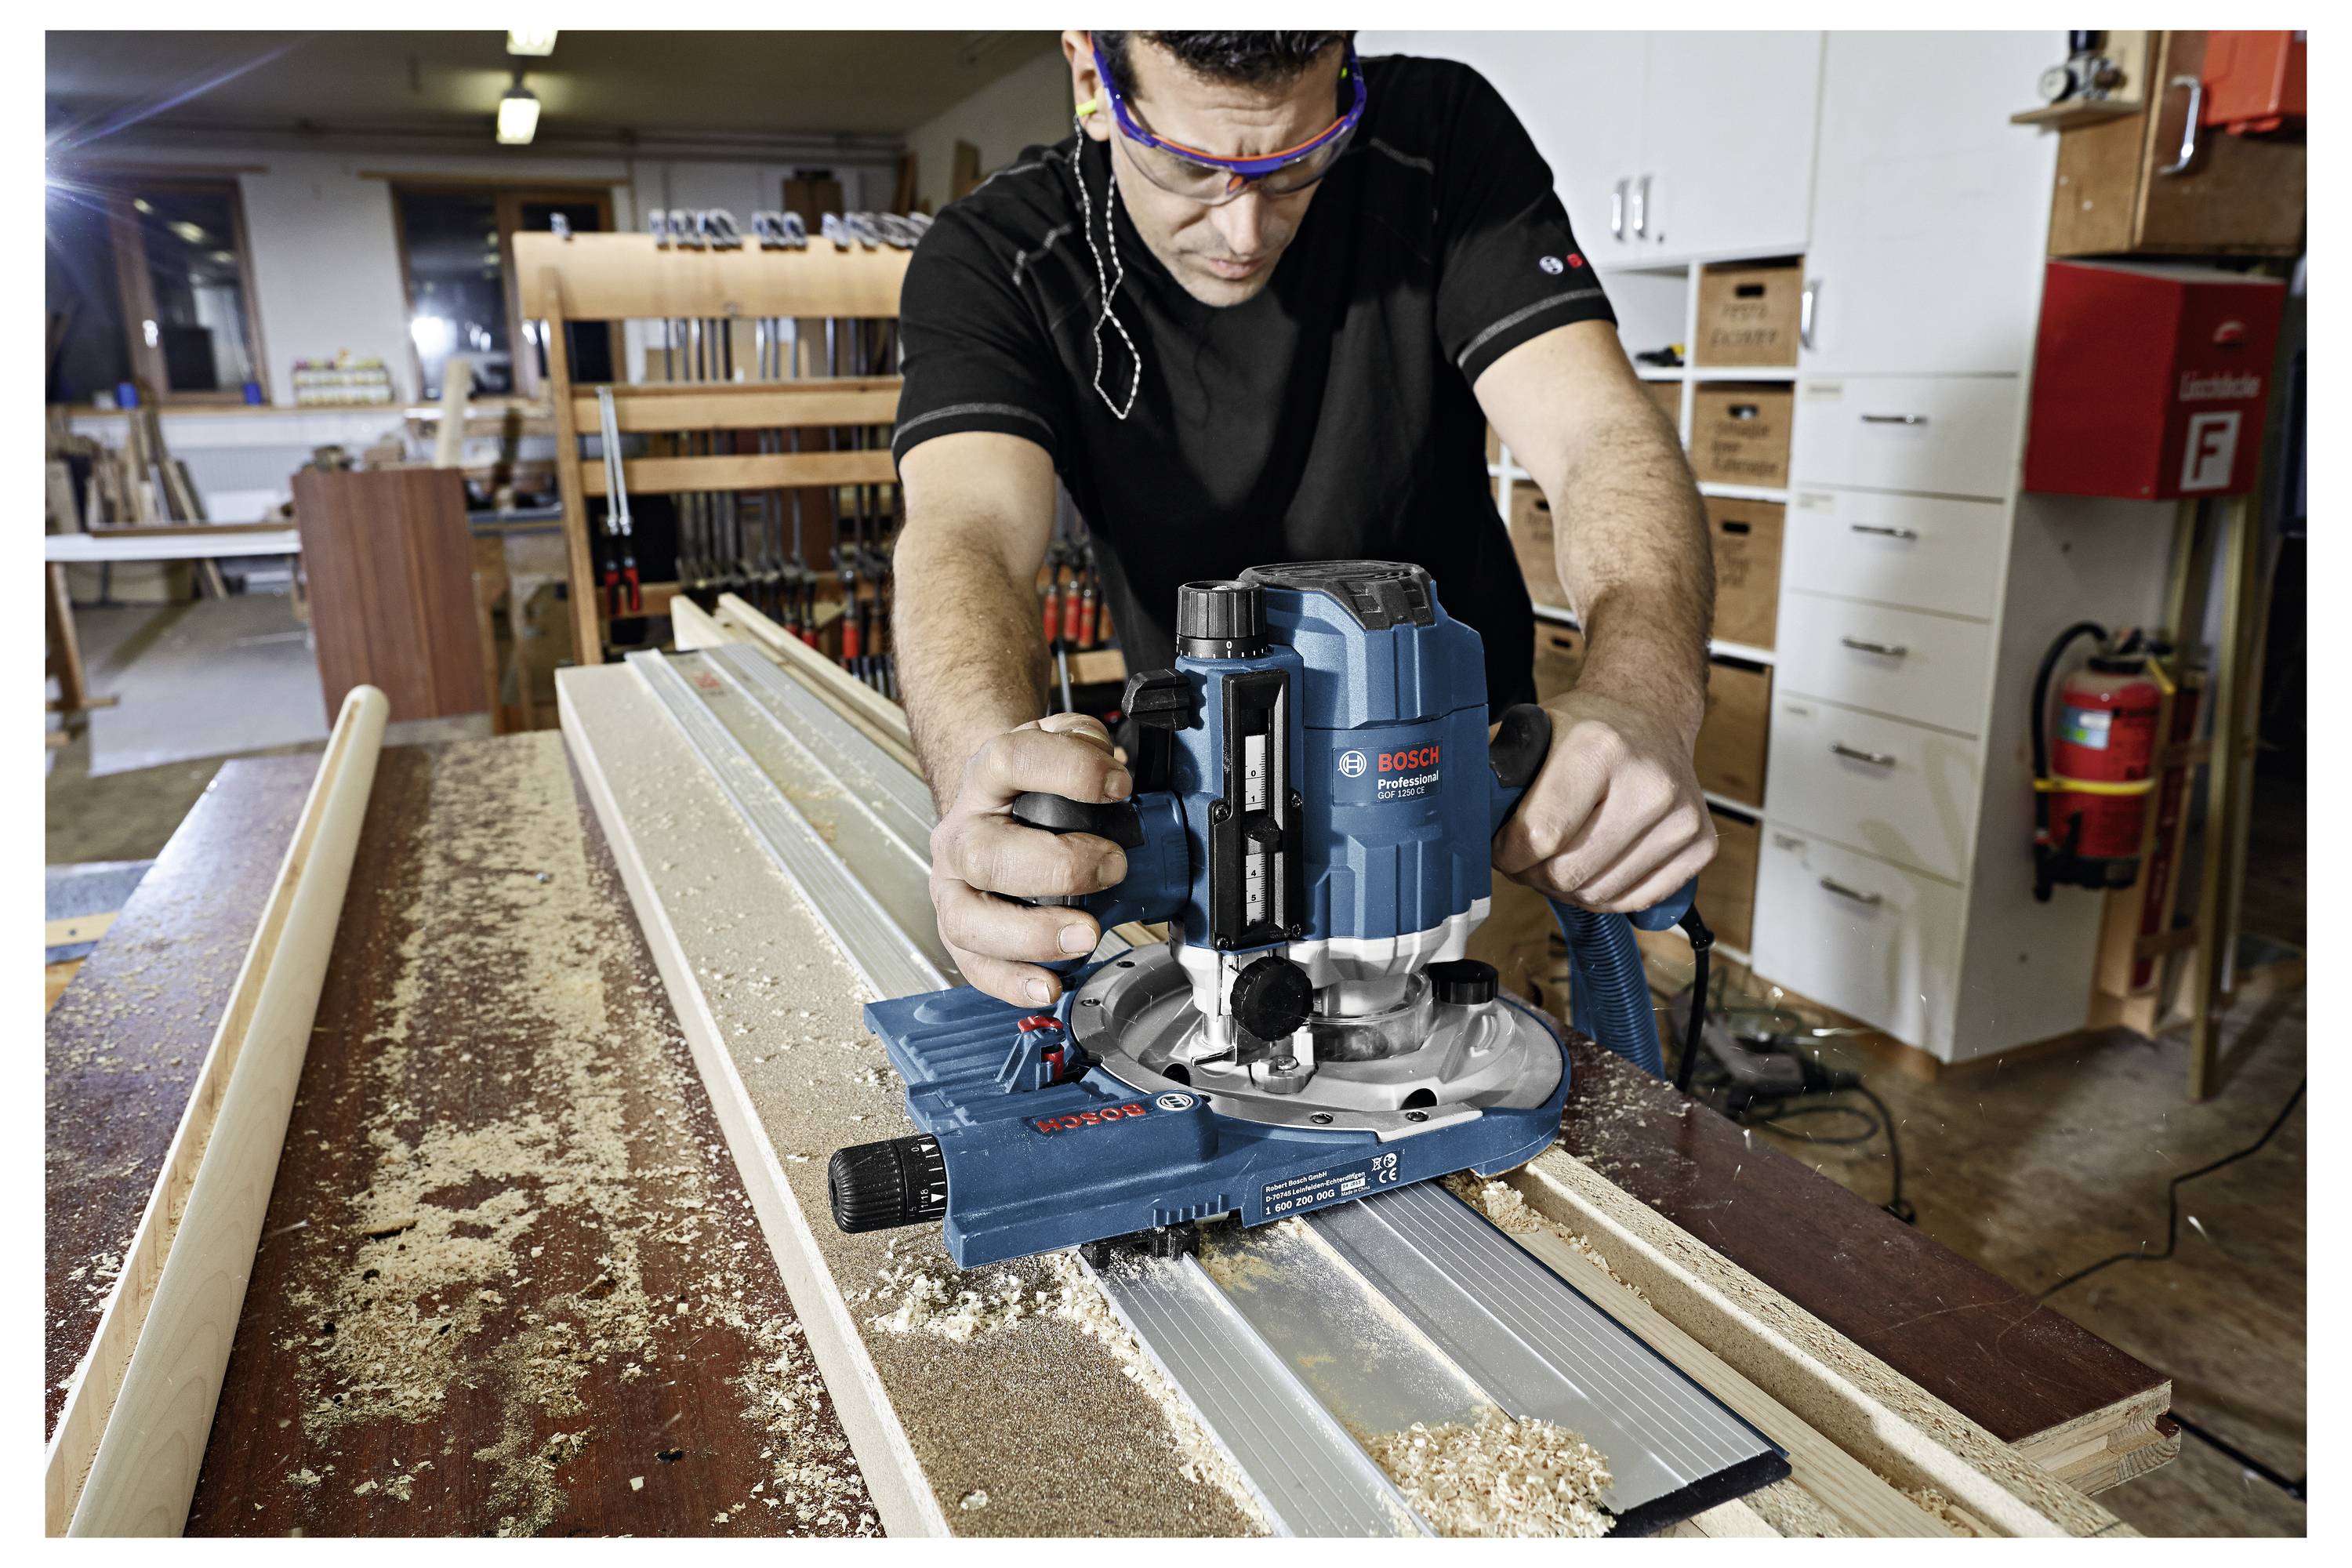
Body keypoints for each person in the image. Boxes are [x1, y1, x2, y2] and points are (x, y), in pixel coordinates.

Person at [891, 29, 1715, 1008]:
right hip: (1215, 835)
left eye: (1295, 163)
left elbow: (1599, 438)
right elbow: (967, 534)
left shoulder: (1441, 138)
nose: (1245, 231)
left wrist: (1645, 695)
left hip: (1465, 817)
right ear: (1092, 79)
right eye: (1192, 167)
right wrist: (991, 787)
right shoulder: (995, 255)